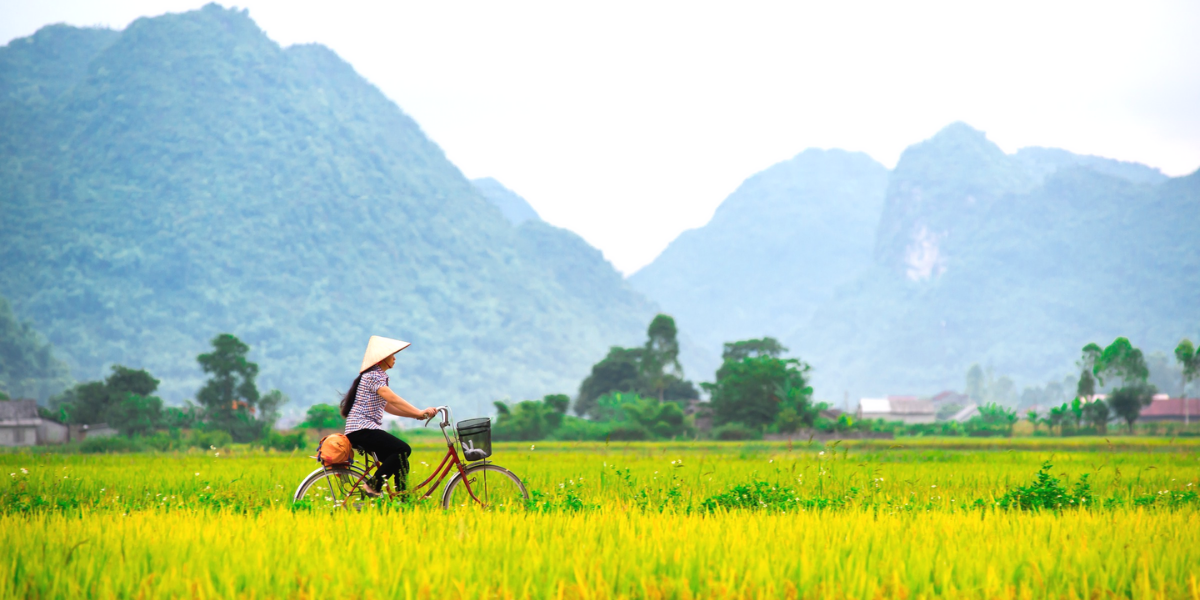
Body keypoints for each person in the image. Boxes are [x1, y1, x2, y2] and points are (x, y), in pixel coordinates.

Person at [341, 335, 437, 497]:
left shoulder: (375, 376)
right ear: (381, 359)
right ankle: (372, 486)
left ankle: (403, 500)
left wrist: (415, 415)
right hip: (362, 430)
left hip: (363, 430)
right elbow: (393, 399)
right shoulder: (373, 376)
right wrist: (419, 411)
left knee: (401, 461)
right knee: (403, 449)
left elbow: (389, 406)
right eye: (392, 355)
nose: (395, 359)